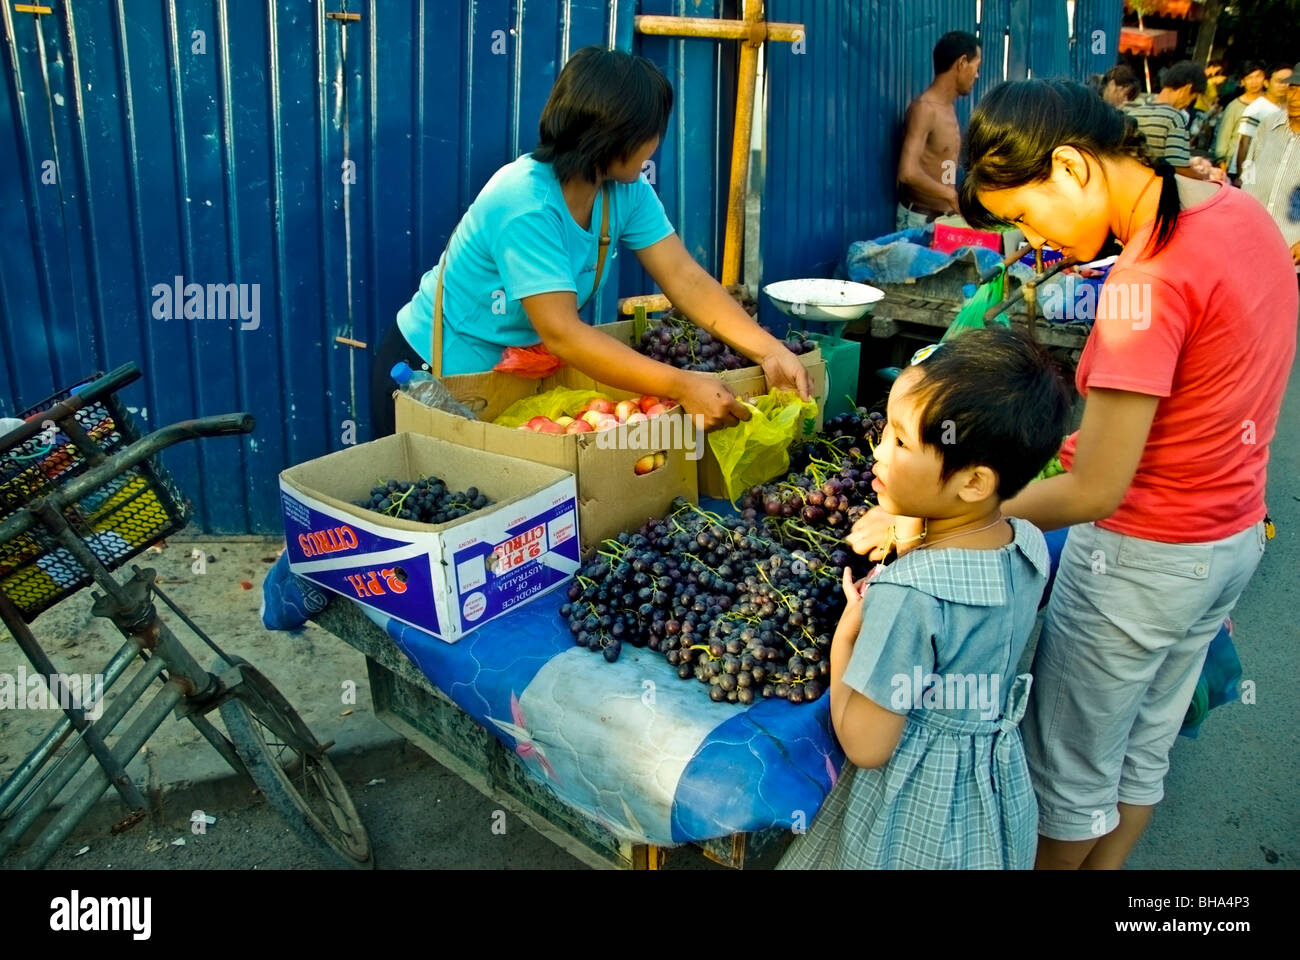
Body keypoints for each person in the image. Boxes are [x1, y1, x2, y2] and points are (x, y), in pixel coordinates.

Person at [849, 79, 1297, 869]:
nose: (1038, 238)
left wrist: (932, 520)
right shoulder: (1236, 212)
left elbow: (1096, 489)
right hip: (1226, 541)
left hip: (1142, 561)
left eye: (1026, 213)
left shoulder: (1146, 283)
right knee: (1139, 757)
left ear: (1070, 166)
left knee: (1067, 777)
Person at [372, 46, 810, 437]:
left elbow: (683, 278)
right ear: (613, 135)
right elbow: (563, 333)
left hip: (512, 378)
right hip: (432, 378)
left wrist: (769, 351)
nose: (656, 145)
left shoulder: (625, 190)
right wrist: (682, 385)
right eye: (651, 131)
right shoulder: (525, 202)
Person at [777, 326, 1069, 870]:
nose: (877, 453)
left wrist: (845, 643)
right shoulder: (1027, 544)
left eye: (900, 442)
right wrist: (912, 527)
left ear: (975, 481)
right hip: (987, 789)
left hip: (913, 810)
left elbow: (866, 744)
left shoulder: (906, 596)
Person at [895, 31, 982, 231]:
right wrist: (950, 195)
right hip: (917, 222)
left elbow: (946, 162)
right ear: (961, 63)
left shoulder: (948, 109)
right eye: (976, 67)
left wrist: (952, 196)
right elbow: (907, 172)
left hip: (942, 220)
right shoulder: (925, 109)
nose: (977, 75)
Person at [1123, 61, 1224, 182]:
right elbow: (1177, 166)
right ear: (1188, 89)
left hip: (1127, 183)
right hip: (1154, 188)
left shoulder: (1133, 113)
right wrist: (1203, 177)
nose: (1188, 104)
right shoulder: (1175, 118)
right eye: (1193, 98)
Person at [1242, 63, 1300, 269]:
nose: (1295, 98)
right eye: (1293, 89)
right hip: (1248, 244)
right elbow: (1248, 170)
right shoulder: (1268, 124)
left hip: (1290, 255)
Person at [1234, 63, 1294, 178]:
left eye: (1289, 82)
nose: (1285, 86)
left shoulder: (1286, 109)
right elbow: (1244, 144)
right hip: (1254, 176)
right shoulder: (1257, 109)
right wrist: (1244, 177)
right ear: (1266, 83)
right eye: (1280, 81)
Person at [1214, 61, 1268, 175]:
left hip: (1262, 163)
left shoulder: (1271, 104)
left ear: (1265, 79)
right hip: (1234, 163)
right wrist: (1222, 161)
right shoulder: (1234, 106)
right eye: (1249, 78)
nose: (1254, 82)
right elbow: (1224, 135)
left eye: (1258, 76)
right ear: (1243, 82)